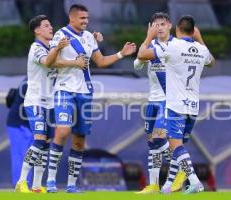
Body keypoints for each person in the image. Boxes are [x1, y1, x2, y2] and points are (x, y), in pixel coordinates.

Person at [46, 4, 136, 193]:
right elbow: (49, 62)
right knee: (62, 132)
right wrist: (73, 62)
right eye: (82, 18)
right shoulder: (60, 35)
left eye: (87, 18)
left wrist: (121, 53)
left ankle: (71, 184)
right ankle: (51, 181)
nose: (86, 21)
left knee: (79, 139)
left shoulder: (89, 37)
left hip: (85, 92)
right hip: (64, 90)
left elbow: (101, 62)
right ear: (72, 18)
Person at [137, 15, 215, 194]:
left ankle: (194, 181)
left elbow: (142, 55)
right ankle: (166, 186)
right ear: (193, 31)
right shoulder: (201, 49)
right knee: (176, 147)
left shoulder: (172, 46)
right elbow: (211, 62)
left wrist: (149, 36)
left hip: (175, 105)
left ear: (176, 29)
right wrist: (200, 39)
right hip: (193, 106)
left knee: (175, 146)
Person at [14, 14, 87, 193]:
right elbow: (48, 62)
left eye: (50, 25)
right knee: (38, 140)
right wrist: (74, 62)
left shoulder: (52, 48)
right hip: (36, 101)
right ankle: (22, 181)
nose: (50, 28)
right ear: (37, 30)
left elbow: (57, 60)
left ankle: (37, 185)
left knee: (45, 144)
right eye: (46, 26)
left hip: (50, 103)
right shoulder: (36, 48)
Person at [133, 12, 186, 194]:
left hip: (169, 100)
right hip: (152, 100)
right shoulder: (150, 45)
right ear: (151, 28)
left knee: (158, 137)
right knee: (152, 143)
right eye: (156, 25)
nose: (160, 28)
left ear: (169, 25)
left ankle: (182, 167)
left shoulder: (176, 45)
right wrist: (147, 40)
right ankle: (154, 184)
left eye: (162, 24)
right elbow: (137, 65)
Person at [6, 78, 33, 187]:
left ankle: (24, 184)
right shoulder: (30, 81)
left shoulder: (27, 80)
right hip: (19, 123)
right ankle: (21, 184)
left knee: (25, 155)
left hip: (19, 122)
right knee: (23, 155)